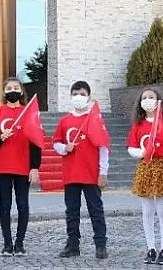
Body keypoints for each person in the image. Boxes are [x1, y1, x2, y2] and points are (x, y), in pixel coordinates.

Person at [52, 81, 109, 260]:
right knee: (72, 211)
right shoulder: (65, 121)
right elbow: (55, 144)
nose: (79, 96)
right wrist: (64, 148)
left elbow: (103, 147)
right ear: (71, 96)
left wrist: (103, 172)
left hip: (91, 174)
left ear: (89, 97)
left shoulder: (94, 119)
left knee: (96, 210)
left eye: (82, 94)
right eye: (76, 93)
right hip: (71, 174)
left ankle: (100, 244)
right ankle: (73, 244)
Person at [0, 77, 41, 256]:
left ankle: (20, 243)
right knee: (5, 206)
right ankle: (7, 243)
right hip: (3, 167)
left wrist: (35, 167)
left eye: (16, 87)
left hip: (23, 166)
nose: (12, 90)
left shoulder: (27, 112)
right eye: (9, 88)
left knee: (23, 205)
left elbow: (36, 142)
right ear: (4, 92)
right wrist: (1, 137)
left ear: (21, 91)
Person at [126, 88, 163, 265]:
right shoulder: (138, 125)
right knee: (147, 211)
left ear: (158, 101)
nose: (147, 100)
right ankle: (151, 247)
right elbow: (130, 147)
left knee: (162, 210)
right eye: (144, 98)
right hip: (145, 166)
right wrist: (141, 151)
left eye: (151, 97)